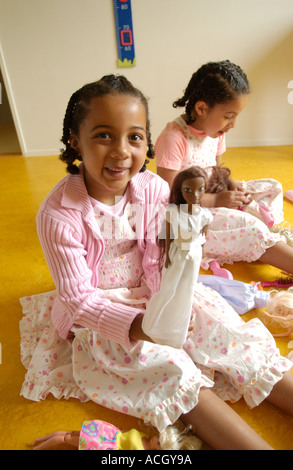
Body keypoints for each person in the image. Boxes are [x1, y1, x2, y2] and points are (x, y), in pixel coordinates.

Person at [19, 74, 293, 451]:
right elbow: (79, 299)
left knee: (229, 334)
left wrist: (179, 264)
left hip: (156, 294)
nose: (120, 151)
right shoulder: (58, 214)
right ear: (74, 140)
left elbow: (157, 253)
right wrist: (139, 326)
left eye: (133, 137)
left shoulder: (152, 188)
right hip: (104, 316)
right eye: (103, 135)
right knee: (171, 371)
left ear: (146, 141)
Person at [155, 60, 293, 274]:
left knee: (271, 186)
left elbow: (216, 170)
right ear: (201, 108)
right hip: (187, 215)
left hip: (212, 196)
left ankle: (269, 233)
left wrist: (230, 185)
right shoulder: (174, 138)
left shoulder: (216, 132)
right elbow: (170, 197)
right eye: (229, 117)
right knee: (250, 227)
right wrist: (216, 200)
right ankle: (265, 237)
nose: (233, 125)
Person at [142, 167, 213, 348]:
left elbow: (204, 236)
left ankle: (179, 325)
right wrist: (166, 256)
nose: (195, 195)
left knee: (187, 289)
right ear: (180, 191)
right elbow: (167, 235)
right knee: (169, 287)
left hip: (194, 256)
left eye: (200, 189)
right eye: (188, 190)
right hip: (177, 254)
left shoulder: (205, 215)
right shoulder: (173, 212)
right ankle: (157, 320)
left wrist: (202, 252)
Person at [32, 419, 202, 450]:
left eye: (158, 442)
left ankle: (40, 444)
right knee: (67, 435)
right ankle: (40, 442)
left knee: (66, 438)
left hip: (103, 444)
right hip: (107, 435)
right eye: (159, 437)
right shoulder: (143, 435)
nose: (155, 438)